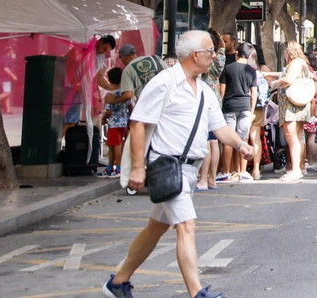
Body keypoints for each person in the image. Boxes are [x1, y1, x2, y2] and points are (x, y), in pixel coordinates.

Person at [101, 29, 252, 298]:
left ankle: (118, 283)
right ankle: (197, 293)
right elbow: (138, 124)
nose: (214, 58)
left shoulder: (204, 91)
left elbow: (219, 128)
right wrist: (138, 167)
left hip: (188, 170)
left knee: (155, 228)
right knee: (186, 225)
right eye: (210, 52)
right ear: (196, 55)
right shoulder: (164, 82)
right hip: (167, 166)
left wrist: (240, 144)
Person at [267, 42, 314, 182]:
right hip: (298, 104)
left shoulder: (295, 63)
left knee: (291, 137)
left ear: (289, 52)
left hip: (291, 105)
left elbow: (288, 79)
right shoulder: (302, 63)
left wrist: (273, 84)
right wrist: (269, 74)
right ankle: (298, 168)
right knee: (298, 137)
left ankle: (295, 169)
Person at [216, 45, 257, 182]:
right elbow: (254, 93)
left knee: (228, 140)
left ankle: (226, 172)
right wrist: (251, 111)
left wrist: (220, 106)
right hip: (245, 107)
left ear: (237, 53)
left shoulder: (228, 68)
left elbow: (222, 90)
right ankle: (243, 172)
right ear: (250, 56)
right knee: (243, 139)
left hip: (229, 106)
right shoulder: (252, 71)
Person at [102, 66, 130, 178]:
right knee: (115, 145)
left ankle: (118, 168)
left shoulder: (111, 95)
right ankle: (110, 168)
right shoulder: (124, 93)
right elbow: (131, 106)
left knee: (115, 146)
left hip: (114, 124)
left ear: (109, 79)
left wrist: (104, 118)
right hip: (124, 122)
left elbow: (109, 111)